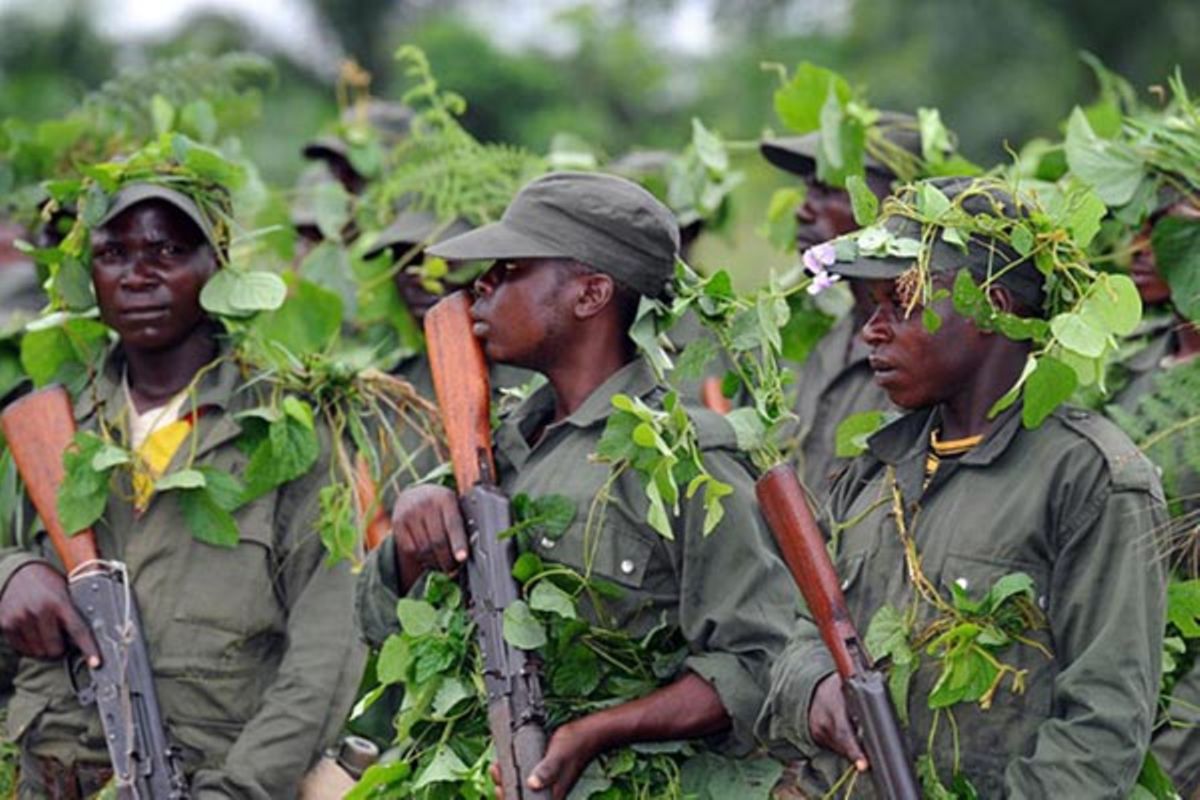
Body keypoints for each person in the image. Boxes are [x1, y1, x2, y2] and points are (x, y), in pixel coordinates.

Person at [356, 171, 800, 798]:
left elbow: (761, 664)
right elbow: (378, 624)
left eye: (510, 268)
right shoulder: (499, 443)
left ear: (591, 293)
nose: (480, 287)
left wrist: (596, 732)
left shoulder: (684, 459)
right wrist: (411, 535)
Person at [762, 178, 1167, 797]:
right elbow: (797, 632)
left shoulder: (1088, 478)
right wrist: (816, 685)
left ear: (992, 306)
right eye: (871, 305)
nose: (872, 329)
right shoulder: (873, 469)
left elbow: (1102, 727)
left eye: (900, 301)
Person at [0, 182, 365, 798]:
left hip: (208, 780)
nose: (137, 276)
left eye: (166, 250)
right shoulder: (48, 427)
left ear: (216, 265)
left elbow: (324, 655)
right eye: (113, 253)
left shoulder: (286, 433)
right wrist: (9, 572)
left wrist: (238, 791)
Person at [761, 112, 932, 497]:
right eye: (809, 191)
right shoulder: (826, 340)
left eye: (830, 190)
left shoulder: (929, 353)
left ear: (897, 203)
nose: (803, 210)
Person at [1110, 192, 1200, 795]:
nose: (1138, 250)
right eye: (1137, 229)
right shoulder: (1128, 359)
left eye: (1166, 233)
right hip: (1118, 660)